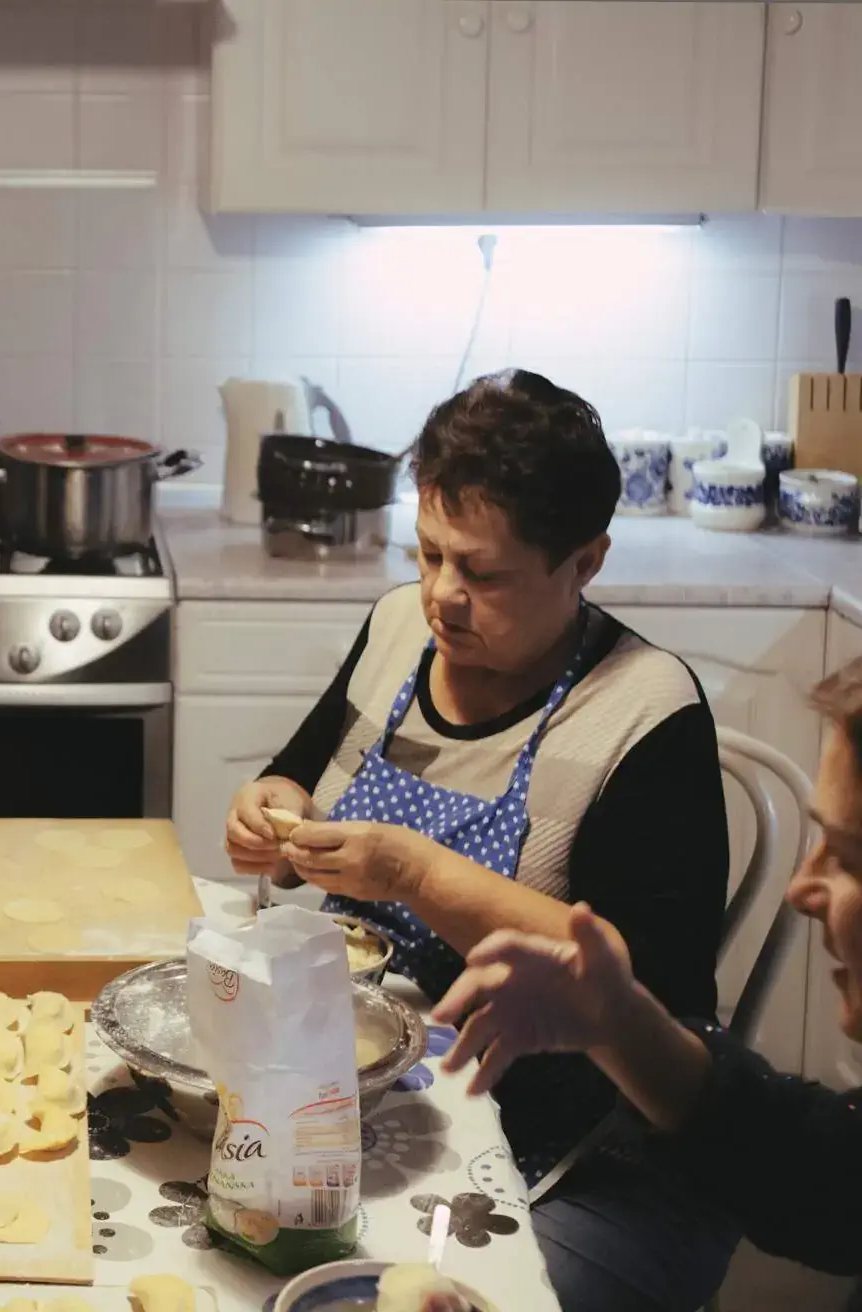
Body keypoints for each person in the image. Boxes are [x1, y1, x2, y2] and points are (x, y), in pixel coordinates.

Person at [222, 372, 738, 1309]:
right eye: (428, 556)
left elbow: (650, 994)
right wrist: (269, 807)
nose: (442, 598)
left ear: (585, 562)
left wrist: (416, 874)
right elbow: (298, 771)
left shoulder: (646, 710)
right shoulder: (392, 629)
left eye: (483, 573)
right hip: (365, 1091)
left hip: (577, 1151)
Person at [433, 653, 862, 1286]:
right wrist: (620, 1025)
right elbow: (824, 1171)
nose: (801, 888)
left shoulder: (653, 706)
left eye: (849, 858)